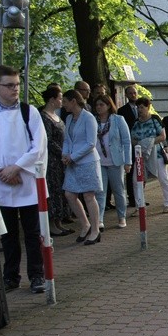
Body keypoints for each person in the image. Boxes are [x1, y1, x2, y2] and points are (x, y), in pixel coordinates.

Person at [0, 65, 48, 293]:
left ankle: (37, 275)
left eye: (17, 84)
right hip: (1, 182)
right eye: (9, 85)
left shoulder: (30, 112)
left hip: (26, 182)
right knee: (8, 236)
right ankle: (11, 276)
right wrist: (3, 171)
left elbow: (38, 147)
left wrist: (16, 168)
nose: (15, 89)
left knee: (33, 233)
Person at [62, 89, 103, 245]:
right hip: (72, 162)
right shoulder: (68, 118)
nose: (63, 104)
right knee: (69, 194)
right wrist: (65, 154)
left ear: (73, 101)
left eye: (65, 101)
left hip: (87, 162)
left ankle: (95, 230)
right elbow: (67, 139)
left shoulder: (88, 118)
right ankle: (85, 224)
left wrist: (72, 157)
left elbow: (91, 143)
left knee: (88, 195)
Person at [40, 85, 74, 236]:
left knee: (60, 190)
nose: (62, 101)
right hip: (52, 160)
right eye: (60, 98)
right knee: (53, 190)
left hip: (61, 160)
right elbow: (47, 140)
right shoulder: (44, 117)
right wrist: (62, 153)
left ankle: (59, 222)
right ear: (52, 99)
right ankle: (51, 224)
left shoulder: (57, 116)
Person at [94, 94, 131, 229]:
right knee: (100, 191)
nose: (98, 108)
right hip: (99, 161)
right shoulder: (94, 120)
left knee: (118, 190)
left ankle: (121, 217)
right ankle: (99, 219)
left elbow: (126, 141)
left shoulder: (118, 120)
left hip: (115, 161)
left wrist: (128, 161)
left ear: (109, 106)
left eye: (101, 105)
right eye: (97, 105)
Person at [131, 97, 168, 213]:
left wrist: (149, 142)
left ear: (148, 107)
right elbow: (133, 139)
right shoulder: (136, 123)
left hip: (157, 154)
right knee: (136, 180)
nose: (140, 110)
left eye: (142, 107)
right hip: (141, 155)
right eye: (138, 107)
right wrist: (140, 144)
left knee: (163, 178)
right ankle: (139, 204)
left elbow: (162, 136)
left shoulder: (155, 119)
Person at [117, 85, 139, 207]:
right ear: (126, 95)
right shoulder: (122, 111)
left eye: (134, 93)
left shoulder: (142, 107)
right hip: (129, 143)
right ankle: (132, 198)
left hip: (141, 144)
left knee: (141, 171)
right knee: (130, 172)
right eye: (130, 93)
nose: (133, 95)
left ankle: (140, 195)